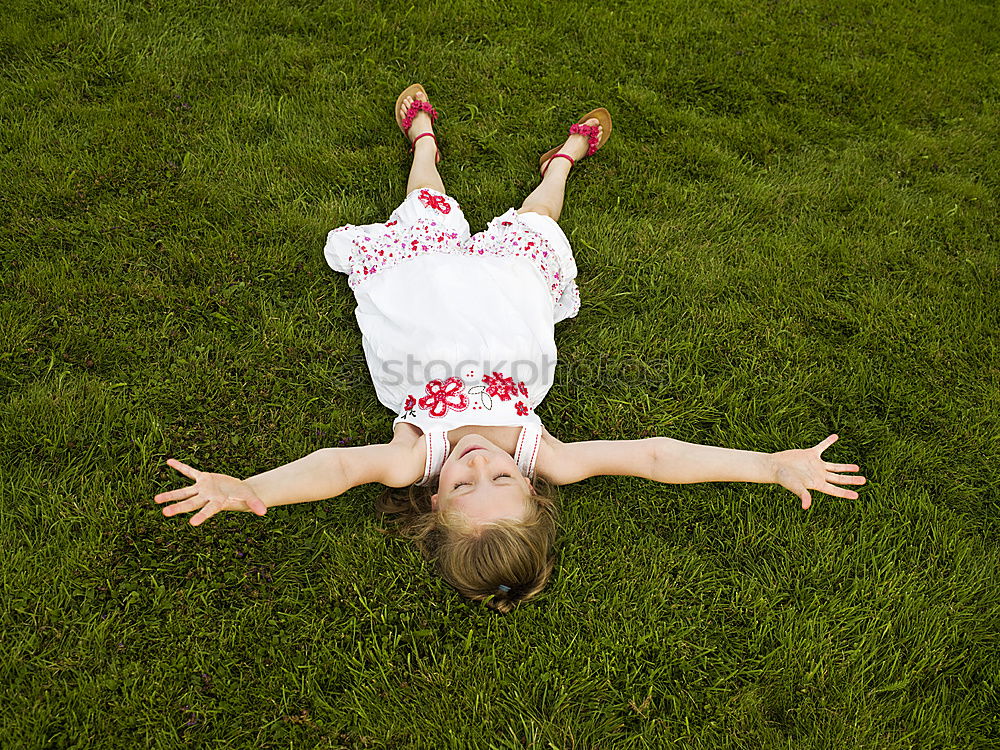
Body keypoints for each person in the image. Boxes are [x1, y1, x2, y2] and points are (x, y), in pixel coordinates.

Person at [155, 84, 866, 613]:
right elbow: (655, 456)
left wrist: (252, 489)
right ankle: (562, 161)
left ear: (435, 505)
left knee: (426, 207)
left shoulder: (413, 458)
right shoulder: (544, 454)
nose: (477, 467)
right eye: (501, 482)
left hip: (423, 287)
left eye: (463, 488)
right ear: (531, 490)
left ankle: (425, 143)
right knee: (535, 225)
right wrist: (767, 466)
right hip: (505, 297)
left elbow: (336, 468)